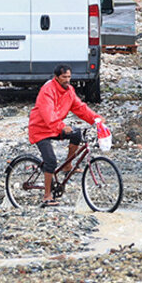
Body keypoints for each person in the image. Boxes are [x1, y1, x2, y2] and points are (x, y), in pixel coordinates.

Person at [28, 64, 102, 206]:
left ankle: (68, 166)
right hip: (40, 129)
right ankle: (47, 196)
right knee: (50, 161)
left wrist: (96, 119)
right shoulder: (47, 91)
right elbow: (48, 114)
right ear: (56, 78)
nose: (67, 80)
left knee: (77, 134)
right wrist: (62, 126)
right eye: (64, 77)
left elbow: (80, 108)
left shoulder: (69, 91)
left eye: (69, 76)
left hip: (55, 127)